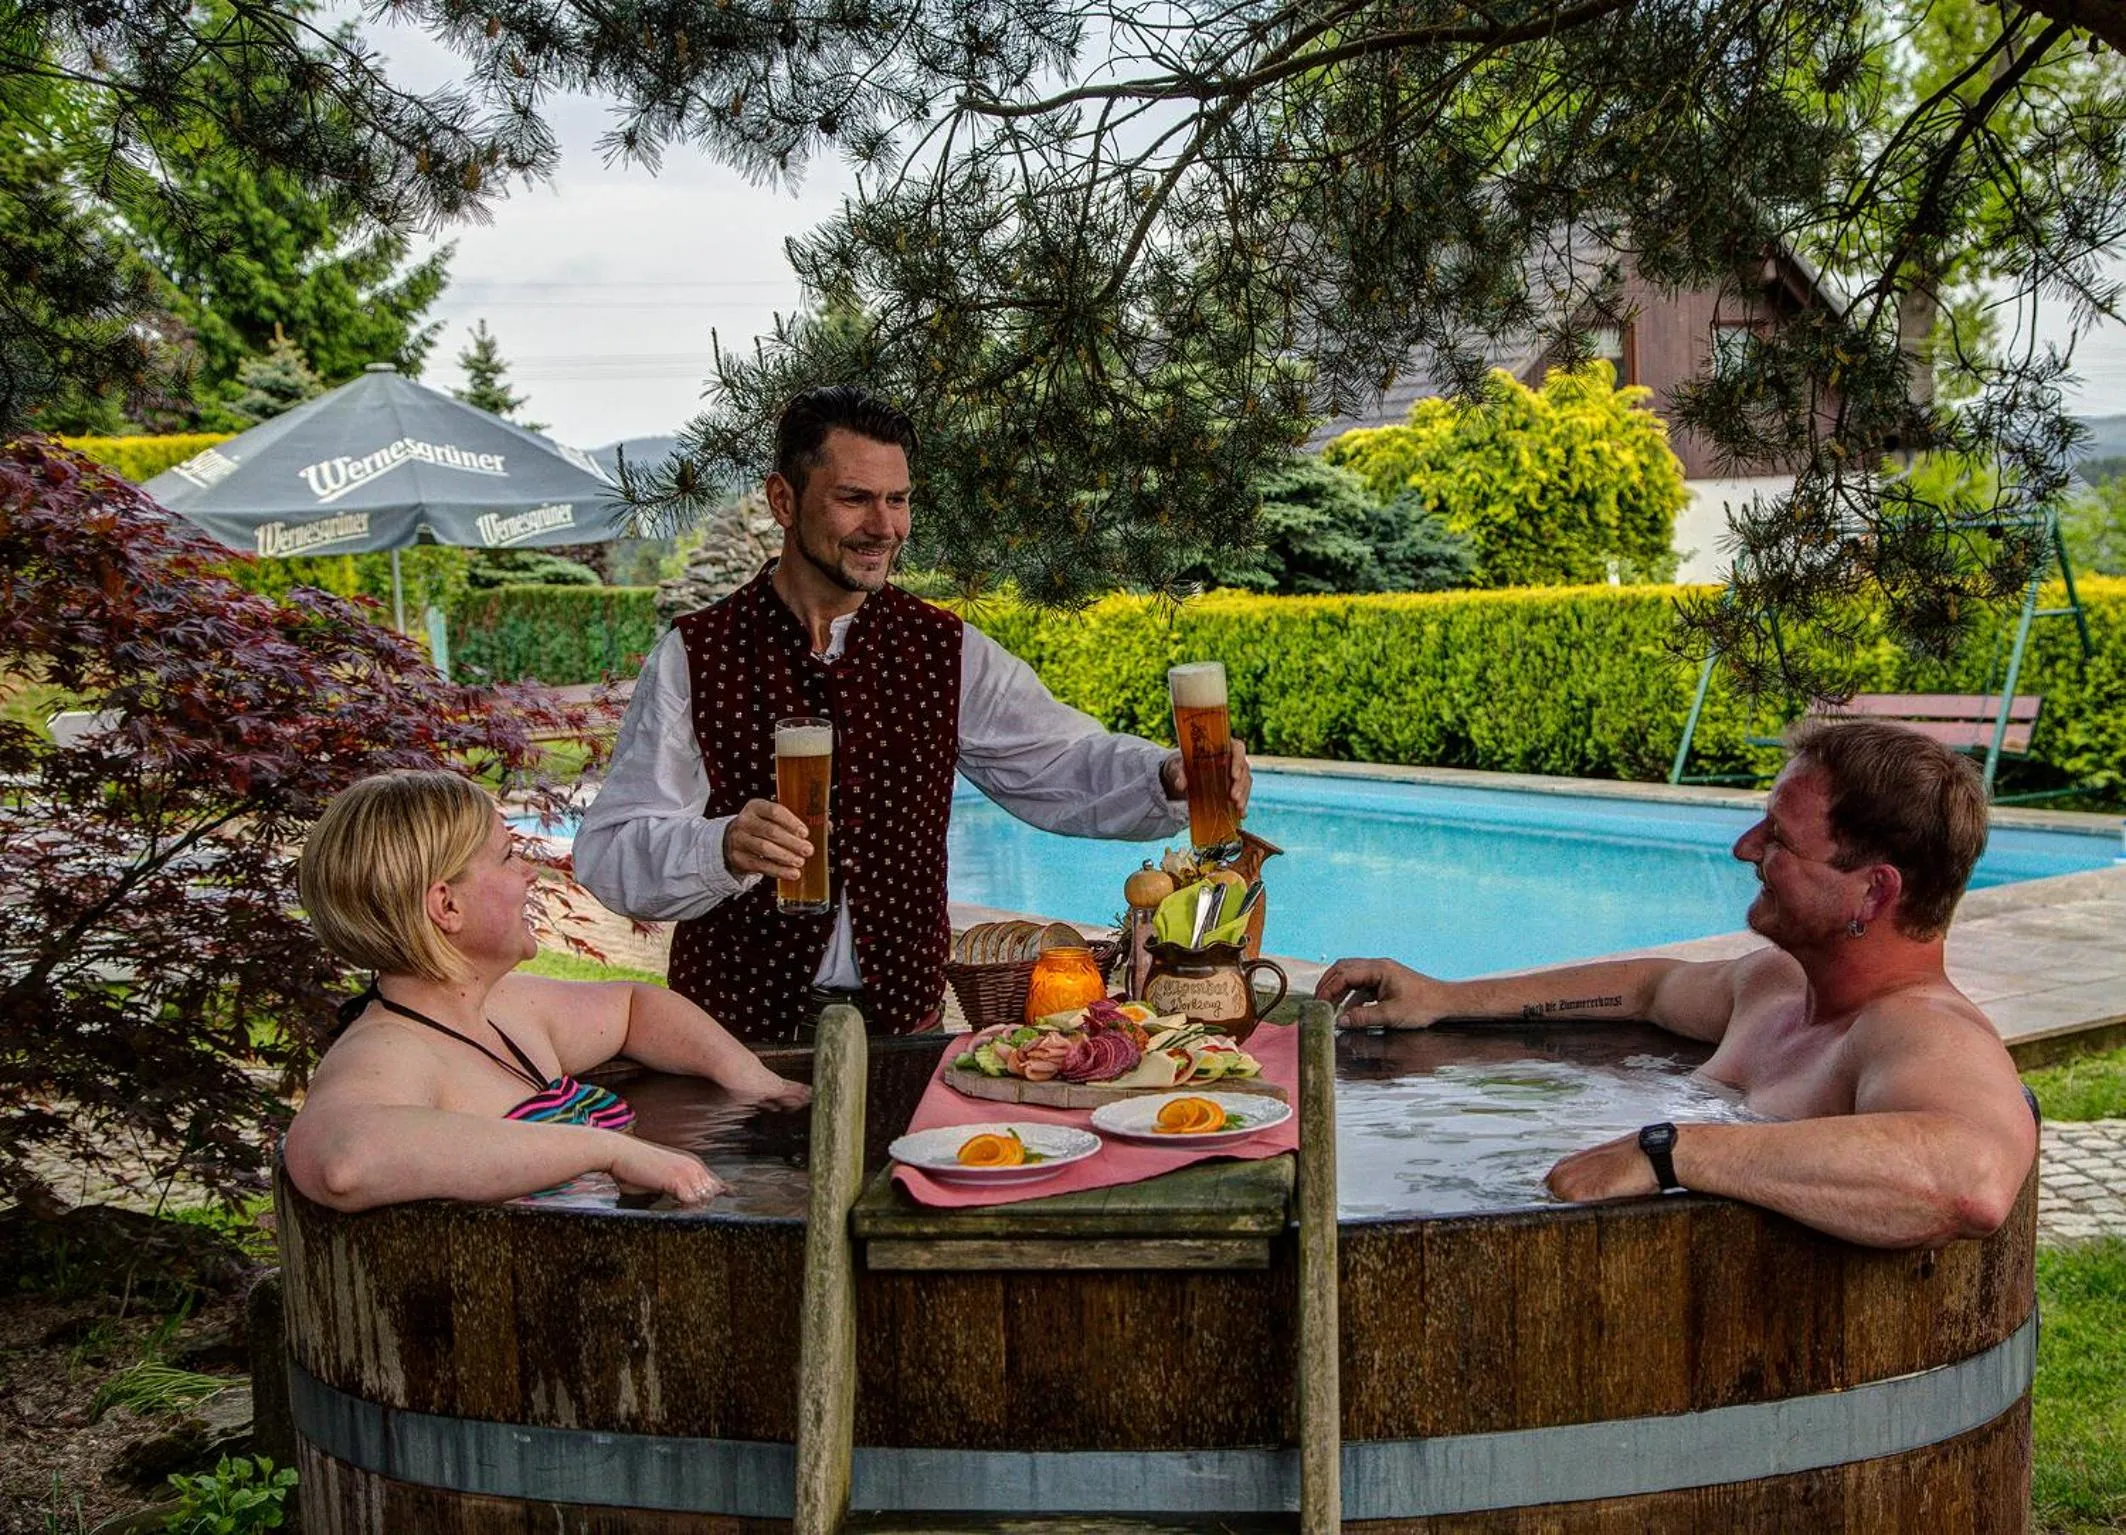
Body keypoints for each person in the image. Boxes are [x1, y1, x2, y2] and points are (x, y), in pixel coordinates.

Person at [575, 385, 1252, 1043]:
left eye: (898, 500)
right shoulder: (698, 653)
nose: (885, 526)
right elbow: (609, 853)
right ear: (784, 500)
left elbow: (1059, 759)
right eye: (855, 499)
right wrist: (718, 846)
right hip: (728, 1040)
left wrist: (1162, 777)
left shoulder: (945, 650)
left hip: (900, 1036)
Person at [1318, 719, 2037, 1250]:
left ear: (1874, 893)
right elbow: (1651, 988)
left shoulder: (1921, 1030)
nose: (1745, 849)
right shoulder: (1778, 985)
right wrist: (1444, 999)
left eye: (1779, 839)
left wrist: (1669, 1151)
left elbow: (1969, 1177)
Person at [283, 770, 809, 1212]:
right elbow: (343, 1163)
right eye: (508, 857)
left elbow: (636, 1006)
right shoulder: (388, 1051)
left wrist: (755, 1082)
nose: (530, 875)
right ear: (446, 906)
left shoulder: (508, 1007)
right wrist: (604, 1151)